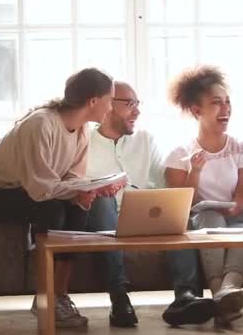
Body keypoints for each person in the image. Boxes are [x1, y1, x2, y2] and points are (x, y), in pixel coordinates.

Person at [0, 68, 124, 328]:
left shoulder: (82, 131)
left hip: (27, 189)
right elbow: (41, 190)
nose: (111, 108)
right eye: (110, 100)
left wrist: (88, 192)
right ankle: (45, 298)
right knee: (52, 209)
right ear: (93, 101)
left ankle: (58, 295)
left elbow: (71, 181)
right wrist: (81, 189)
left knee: (79, 208)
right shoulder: (41, 124)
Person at [85, 81, 215, 327]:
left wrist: (191, 176)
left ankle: (186, 297)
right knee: (103, 204)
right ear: (106, 106)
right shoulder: (83, 141)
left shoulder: (145, 140)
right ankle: (119, 299)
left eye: (138, 104)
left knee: (177, 213)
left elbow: (165, 187)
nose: (137, 111)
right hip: (104, 221)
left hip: (142, 218)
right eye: (130, 104)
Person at [164, 66, 243, 326]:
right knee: (210, 219)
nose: (225, 109)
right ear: (197, 110)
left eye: (228, 102)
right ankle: (223, 296)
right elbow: (183, 204)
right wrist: (194, 170)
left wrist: (237, 207)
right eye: (216, 103)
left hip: (238, 214)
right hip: (205, 218)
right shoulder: (179, 153)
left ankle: (225, 291)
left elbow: (242, 192)